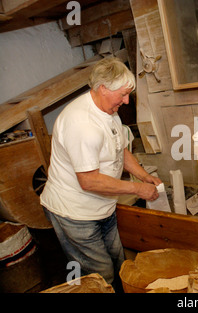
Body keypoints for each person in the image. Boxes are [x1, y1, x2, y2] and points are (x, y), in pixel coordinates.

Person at [40, 57, 161, 290]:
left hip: (102, 206)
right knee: (98, 275)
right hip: (74, 212)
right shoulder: (83, 124)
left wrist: (143, 175)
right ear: (103, 88)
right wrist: (137, 188)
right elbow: (88, 180)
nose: (126, 101)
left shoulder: (109, 110)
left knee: (119, 263)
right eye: (123, 95)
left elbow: (120, 149)